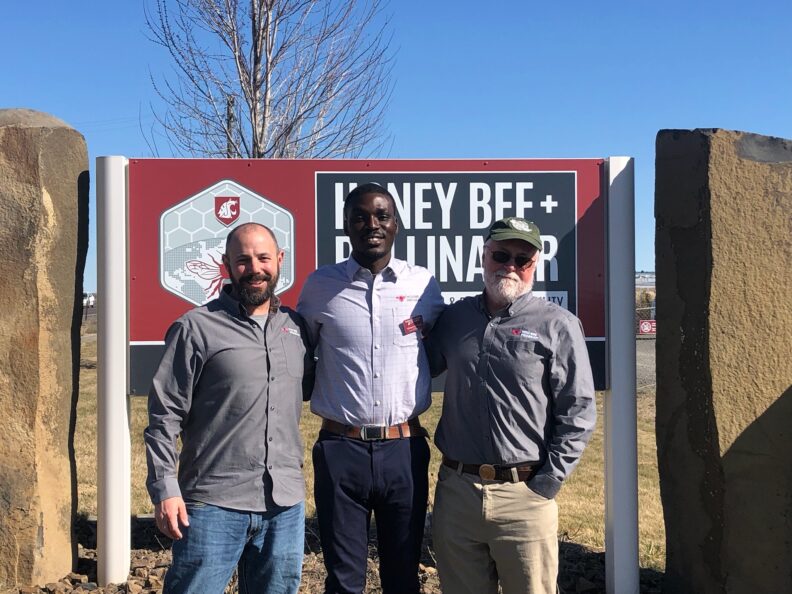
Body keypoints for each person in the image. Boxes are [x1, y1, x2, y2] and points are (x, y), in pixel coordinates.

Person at [426, 217, 596, 594]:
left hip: (525, 496)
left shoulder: (558, 324)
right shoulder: (453, 319)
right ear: (484, 256)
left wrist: (546, 483)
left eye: (523, 259)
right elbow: (417, 364)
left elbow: (579, 411)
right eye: (501, 255)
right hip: (458, 492)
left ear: (535, 265)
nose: (511, 266)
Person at [144, 222, 314, 594]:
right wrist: (165, 489)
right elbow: (164, 416)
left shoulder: (295, 328)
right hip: (211, 504)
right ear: (226, 264)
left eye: (264, 257)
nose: (255, 268)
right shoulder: (195, 327)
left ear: (280, 260)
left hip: (283, 505)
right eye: (243, 260)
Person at [297, 183, 445, 594]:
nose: (372, 225)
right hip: (340, 449)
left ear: (396, 224)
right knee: (344, 581)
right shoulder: (319, 287)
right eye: (360, 217)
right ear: (346, 226)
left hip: (404, 449)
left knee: (402, 578)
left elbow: (436, 349)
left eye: (382, 215)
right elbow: (303, 350)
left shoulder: (424, 286)